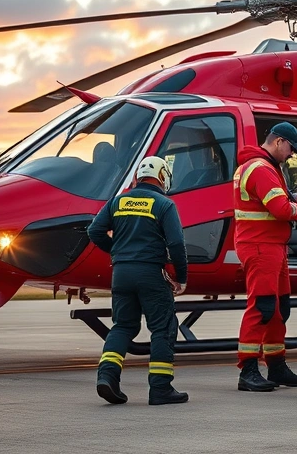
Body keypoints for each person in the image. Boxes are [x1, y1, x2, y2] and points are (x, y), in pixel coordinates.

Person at [232, 122, 297, 392]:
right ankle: (248, 369)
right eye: (291, 149)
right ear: (278, 142)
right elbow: (279, 209)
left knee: (280, 308)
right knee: (263, 307)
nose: (292, 155)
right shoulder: (261, 168)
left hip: (273, 246)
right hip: (260, 246)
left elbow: (271, 200)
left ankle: (276, 366)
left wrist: (296, 197)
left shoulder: (265, 167)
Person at [87, 155, 189, 406]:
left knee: (122, 326)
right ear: (163, 177)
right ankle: (160, 389)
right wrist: (182, 278)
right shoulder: (164, 204)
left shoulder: (117, 201)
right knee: (163, 328)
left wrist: (116, 251)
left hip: (121, 273)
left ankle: (107, 377)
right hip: (150, 273)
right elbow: (176, 243)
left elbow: (94, 231)